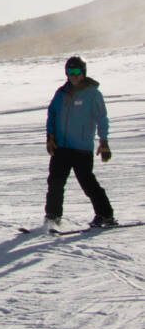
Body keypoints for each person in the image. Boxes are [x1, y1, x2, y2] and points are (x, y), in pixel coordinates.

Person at [44, 56, 116, 228]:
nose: (74, 75)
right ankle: (52, 217)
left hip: (81, 148)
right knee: (55, 181)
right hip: (61, 147)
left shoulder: (93, 94)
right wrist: (50, 136)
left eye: (77, 71)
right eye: (70, 72)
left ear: (83, 72)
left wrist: (103, 141)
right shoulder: (61, 93)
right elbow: (52, 114)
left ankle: (105, 215)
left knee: (87, 182)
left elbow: (102, 119)